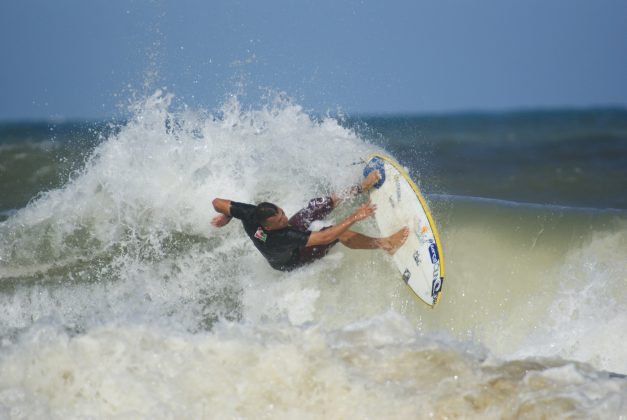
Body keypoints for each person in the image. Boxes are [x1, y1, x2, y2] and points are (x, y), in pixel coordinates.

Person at [211, 171, 409, 272]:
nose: (284, 218)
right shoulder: (281, 236)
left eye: (281, 212)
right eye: (279, 220)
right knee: (339, 234)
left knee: (317, 204)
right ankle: (387, 244)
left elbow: (217, 202)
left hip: (279, 240)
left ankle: (361, 187)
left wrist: (227, 216)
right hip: (292, 260)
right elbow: (325, 236)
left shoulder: (248, 212)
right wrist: (356, 216)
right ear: (267, 227)